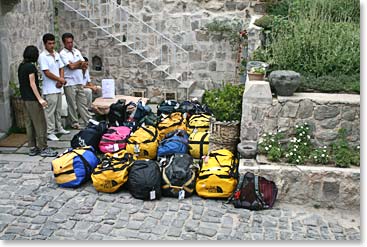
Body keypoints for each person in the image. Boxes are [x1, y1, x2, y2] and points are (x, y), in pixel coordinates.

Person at [18, 45, 58, 157]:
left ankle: (32, 147)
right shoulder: (31, 67)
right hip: (32, 99)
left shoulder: (21, 66)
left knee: (29, 123)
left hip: (25, 98)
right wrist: (40, 99)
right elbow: (32, 84)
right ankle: (43, 147)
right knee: (40, 124)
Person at [38, 33, 70, 141]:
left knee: (58, 110)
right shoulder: (43, 56)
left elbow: (61, 67)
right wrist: (59, 79)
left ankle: (59, 128)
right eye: (49, 44)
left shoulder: (56, 54)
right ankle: (50, 131)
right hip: (49, 89)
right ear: (45, 44)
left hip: (58, 87)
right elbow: (47, 72)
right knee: (50, 112)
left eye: (53, 43)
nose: (51, 46)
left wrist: (61, 80)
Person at [60, 33, 91, 130]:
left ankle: (87, 120)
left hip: (79, 81)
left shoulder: (76, 51)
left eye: (71, 42)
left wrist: (76, 64)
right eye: (68, 42)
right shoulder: (62, 54)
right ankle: (74, 122)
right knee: (72, 104)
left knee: (82, 102)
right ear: (64, 43)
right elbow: (71, 67)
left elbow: (84, 64)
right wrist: (78, 64)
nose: (70, 44)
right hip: (69, 82)